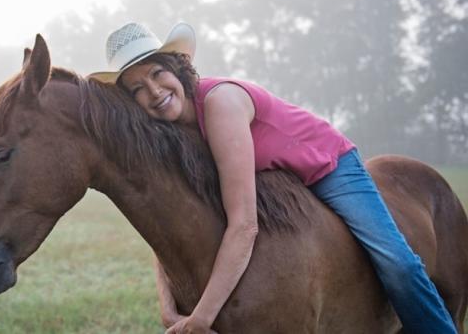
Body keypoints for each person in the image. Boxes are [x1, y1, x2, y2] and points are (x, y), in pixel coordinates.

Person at [88, 22, 457, 334]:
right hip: (279, 181)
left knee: (399, 263)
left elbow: (245, 225)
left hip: (326, 166)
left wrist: (202, 318)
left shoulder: (220, 104)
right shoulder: (168, 135)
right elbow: (168, 228)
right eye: (137, 89)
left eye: (156, 73)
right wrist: (169, 308)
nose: (153, 91)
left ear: (175, 67)